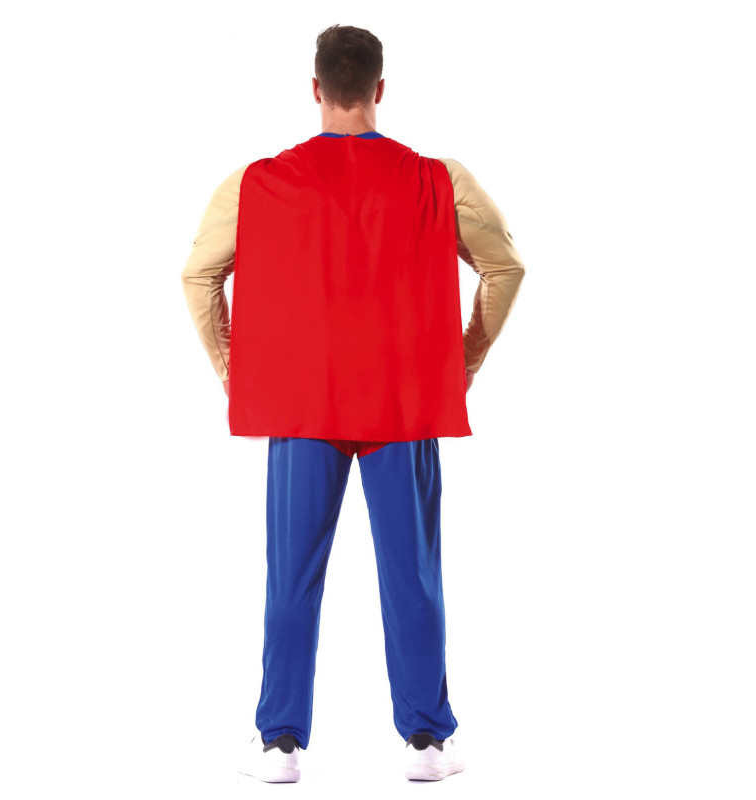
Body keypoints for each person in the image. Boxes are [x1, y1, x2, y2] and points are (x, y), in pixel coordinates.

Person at [181, 24, 526, 783]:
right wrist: (462, 362)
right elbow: (506, 267)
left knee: (291, 576)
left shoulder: (256, 183)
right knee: (413, 575)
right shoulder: (439, 179)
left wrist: (236, 372)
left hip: (303, 407)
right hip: (401, 403)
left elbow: (198, 276)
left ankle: (279, 744)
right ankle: (427, 742)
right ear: (379, 89)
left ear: (315, 89)